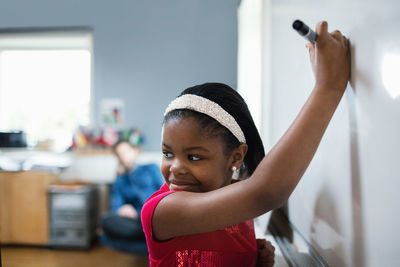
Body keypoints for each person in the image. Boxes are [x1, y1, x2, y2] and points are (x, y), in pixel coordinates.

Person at [141, 21, 350, 266]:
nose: (175, 167)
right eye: (167, 153)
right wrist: (328, 87)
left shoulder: (235, 202)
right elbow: (265, 193)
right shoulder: (163, 211)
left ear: (236, 157)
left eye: (194, 157)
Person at [99, 139, 164, 253]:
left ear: (134, 151)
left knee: (152, 216)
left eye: (125, 152)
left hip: (158, 214)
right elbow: (115, 207)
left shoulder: (151, 168)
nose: (123, 157)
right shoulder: (120, 181)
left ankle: (153, 240)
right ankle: (155, 241)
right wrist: (122, 209)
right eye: (119, 154)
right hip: (138, 221)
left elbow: (165, 192)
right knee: (105, 222)